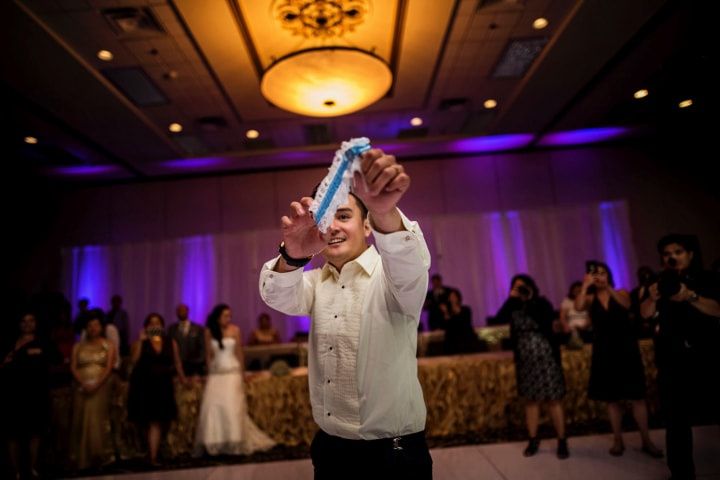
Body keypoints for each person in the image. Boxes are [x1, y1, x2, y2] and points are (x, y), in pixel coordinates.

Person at [259, 148, 433, 479]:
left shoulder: (392, 277)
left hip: (393, 455)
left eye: (343, 216)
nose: (333, 227)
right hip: (330, 450)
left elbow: (411, 265)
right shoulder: (312, 284)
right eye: (324, 219)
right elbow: (276, 294)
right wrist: (292, 256)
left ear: (367, 225)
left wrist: (385, 213)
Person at [641, 234, 720, 480]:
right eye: (666, 253)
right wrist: (652, 297)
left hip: (707, 357)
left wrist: (690, 296)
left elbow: (718, 310)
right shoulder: (659, 282)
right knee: (676, 424)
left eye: (678, 251)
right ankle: (682, 474)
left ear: (691, 254)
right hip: (671, 361)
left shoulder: (707, 278)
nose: (671, 257)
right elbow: (645, 314)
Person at [575, 261, 662, 458]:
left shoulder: (621, 291)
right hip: (604, 351)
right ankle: (617, 440)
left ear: (609, 275)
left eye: (603, 273)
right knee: (611, 399)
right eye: (595, 274)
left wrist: (608, 288)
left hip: (626, 348)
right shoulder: (589, 298)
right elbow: (578, 306)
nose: (600, 277)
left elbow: (627, 304)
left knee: (637, 397)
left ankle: (646, 440)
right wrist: (585, 286)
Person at [494, 274, 569, 459]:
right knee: (531, 401)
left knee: (553, 400)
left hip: (546, 358)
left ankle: (562, 440)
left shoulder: (541, 303)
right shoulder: (513, 305)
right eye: (516, 287)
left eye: (523, 287)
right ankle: (533, 439)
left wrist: (529, 300)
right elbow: (498, 319)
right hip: (525, 360)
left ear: (532, 287)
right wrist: (511, 299)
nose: (520, 290)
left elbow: (547, 322)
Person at [194, 304, 275, 456]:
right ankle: (214, 443)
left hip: (232, 372)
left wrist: (243, 373)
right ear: (218, 317)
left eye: (230, 315)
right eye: (225, 315)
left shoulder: (235, 330)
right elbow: (208, 355)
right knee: (213, 405)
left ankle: (235, 441)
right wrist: (208, 373)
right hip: (216, 373)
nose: (228, 318)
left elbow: (239, 353)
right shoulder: (209, 331)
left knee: (232, 405)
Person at [128, 313, 186, 466]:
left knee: (158, 421)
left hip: (163, 385)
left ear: (162, 326)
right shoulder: (141, 342)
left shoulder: (170, 342)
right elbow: (133, 361)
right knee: (147, 420)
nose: (155, 325)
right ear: (146, 326)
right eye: (151, 323)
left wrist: (183, 379)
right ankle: (150, 454)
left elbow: (177, 363)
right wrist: (141, 341)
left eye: (158, 322)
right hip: (144, 385)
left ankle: (153, 454)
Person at [1, 313, 51, 480]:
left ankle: (33, 468)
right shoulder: (10, 342)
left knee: (35, 432)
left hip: (36, 394)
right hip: (13, 393)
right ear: (18, 324)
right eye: (23, 321)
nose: (27, 324)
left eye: (31, 320)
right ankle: (14, 471)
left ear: (36, 323)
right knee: (12, 433)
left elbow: (52, 363)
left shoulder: (43, 342)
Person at [69, 310, 116, 470]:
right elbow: (73, 367)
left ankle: (99, 455)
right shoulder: (78, 345)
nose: (93, 328)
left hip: (100, 385)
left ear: (101, 327)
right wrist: (83, 382)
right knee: (81, 418)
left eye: (96, 325)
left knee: (96, 418)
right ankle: (81, 456)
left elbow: (109, 367)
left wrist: (97, 383)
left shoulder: (108, 345)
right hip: (81, 386)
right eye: (90, 325)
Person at [167, 303, 206, 377]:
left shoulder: (198, 328)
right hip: (177, 365)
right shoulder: (172, 329)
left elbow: (203, 347)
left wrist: (200, 361)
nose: (181, 312)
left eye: (183, 310)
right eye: (179, 311)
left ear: (188, 311)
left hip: (195, 365)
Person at [441, 290, 484, 355]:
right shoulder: (448, 313)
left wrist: (454, 309)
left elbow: (466, 323)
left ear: (458, 298)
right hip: (453, 340)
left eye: (454, 296)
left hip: (466, 338)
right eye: (450, 297)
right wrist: (446, 312)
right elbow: (448, 327)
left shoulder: (466, 309)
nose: (452, 298)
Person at [558, 281, 591, 345]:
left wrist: (585, 326)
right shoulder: (567, 301)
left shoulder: (588, 299)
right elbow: (562, 317)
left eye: (579, 291)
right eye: (575, 291)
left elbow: (590, 316)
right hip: (571, 329)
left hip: (585, 328)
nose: (577, 293)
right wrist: (566, 326)